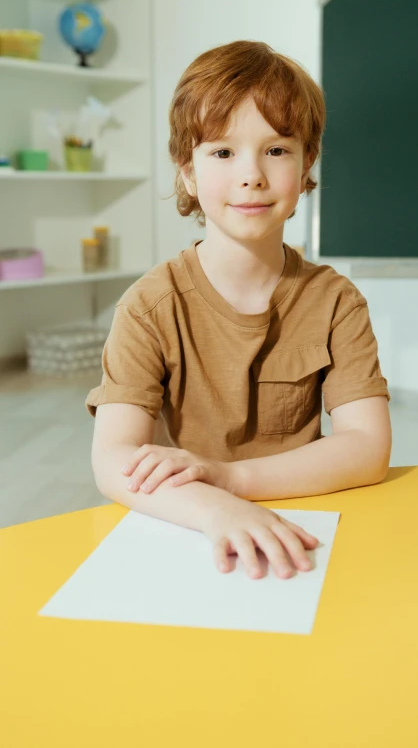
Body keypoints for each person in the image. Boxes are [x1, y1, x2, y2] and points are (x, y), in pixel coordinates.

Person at [86, 40, 392, 581]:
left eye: (276, 150)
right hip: (190, 527)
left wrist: (229, 479)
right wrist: (214, 505)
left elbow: (367, 448)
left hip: (308, 525)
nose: (251, 174)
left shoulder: (337, 301)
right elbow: (112, 460)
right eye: (222, 152)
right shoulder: (148, 306)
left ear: (305, 167)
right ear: (187, 173)